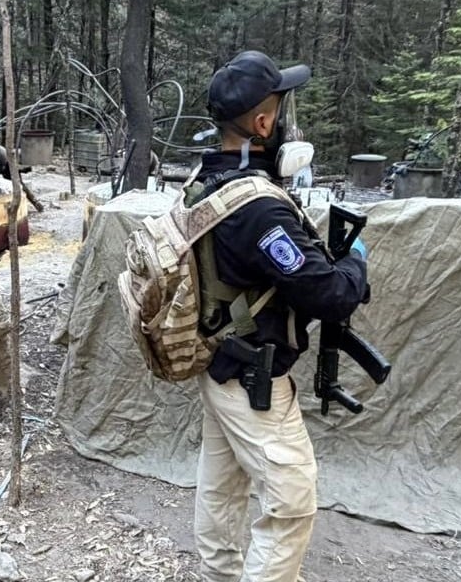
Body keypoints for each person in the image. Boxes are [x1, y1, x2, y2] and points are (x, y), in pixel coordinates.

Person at [192, 50, 369, 582]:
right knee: (291, 503)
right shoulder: (259, 209)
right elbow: (331, 295)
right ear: (264, 123)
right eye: (283, 107)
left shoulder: (206, 183)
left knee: (221, 489)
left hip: (218, 362)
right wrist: (355, 263)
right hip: (253, 379)